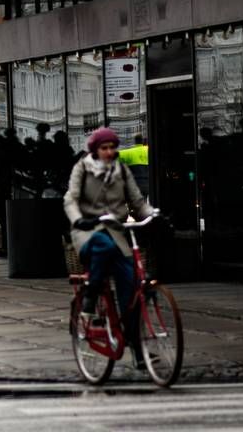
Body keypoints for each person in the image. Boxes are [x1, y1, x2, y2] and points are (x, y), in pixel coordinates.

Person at [63, 127, 155, 359]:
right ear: (95, 150)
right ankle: (91, 294)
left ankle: (137, 349)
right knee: (104, 245)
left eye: (112, 148)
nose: (109, 152)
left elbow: (136, 202)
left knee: (131, 287)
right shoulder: (82, 170)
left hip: (115, 233)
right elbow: (70, 199)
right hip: (88, 231)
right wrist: (78, 219)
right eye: (104, 148)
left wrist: (152, 215)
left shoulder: (121, 171)